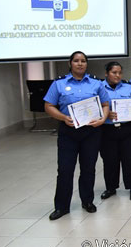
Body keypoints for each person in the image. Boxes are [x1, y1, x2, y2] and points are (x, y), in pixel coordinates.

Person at [43, 51, 109, 220]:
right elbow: (49, 105)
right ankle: (61, 207)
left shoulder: (96, 83)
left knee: (88, 168)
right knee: (65, 170)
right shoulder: (59, 83)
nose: (80, 64)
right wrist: (63, 117)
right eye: (76, 61)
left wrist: (102, 120)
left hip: (91, 131)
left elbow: (105, 104)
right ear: (70, 63)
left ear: (86, 64)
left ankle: (87, 201)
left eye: (83, 61)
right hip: (68, 131)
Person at [100, 62, 131, 201]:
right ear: (106, 73)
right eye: (114, 72)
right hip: (107, 129)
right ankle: (111, 188)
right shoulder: (99, 87)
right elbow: (93, 107)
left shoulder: (128, 87)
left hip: (129, 128)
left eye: (119, 73)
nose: (117, 75)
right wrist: (105, 114)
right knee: (110, 160)